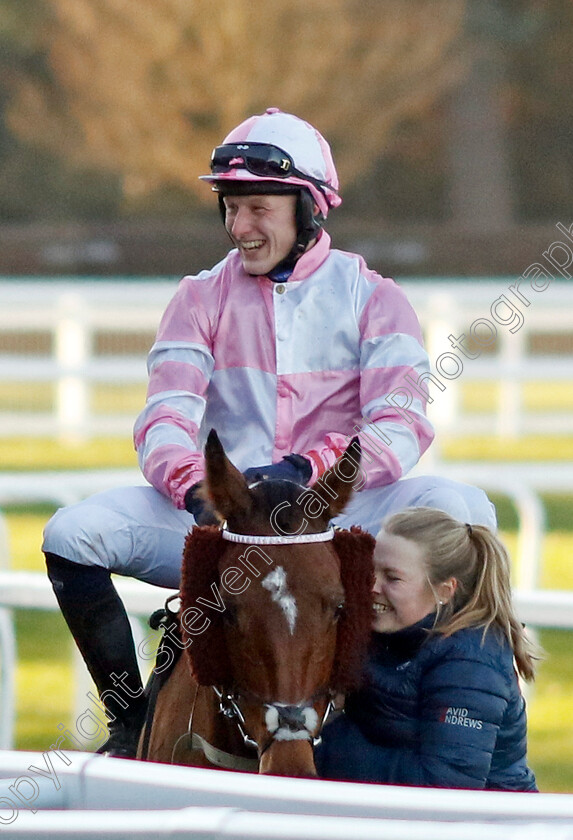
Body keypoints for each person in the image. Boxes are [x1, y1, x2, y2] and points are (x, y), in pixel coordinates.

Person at [43, 107, 496, 757]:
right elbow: (164, 415)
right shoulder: (198, 298)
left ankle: (431, 715)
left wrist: (308, 469)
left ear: (309, 208)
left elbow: (400, 424)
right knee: (72, 534)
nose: (239, 227)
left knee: (462, 512)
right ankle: (129, 722)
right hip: (230, 523)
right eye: (230, 208)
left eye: (257, 208)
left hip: (340, 513)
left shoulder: (373, 297)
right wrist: (196, 488)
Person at [315, 506, 539, 791]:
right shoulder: (383, 631)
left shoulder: (470, 658)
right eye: (371, 571)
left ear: (445, 591)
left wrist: (322, 738)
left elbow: (446, 786)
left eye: (392, 578)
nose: (372, 586)